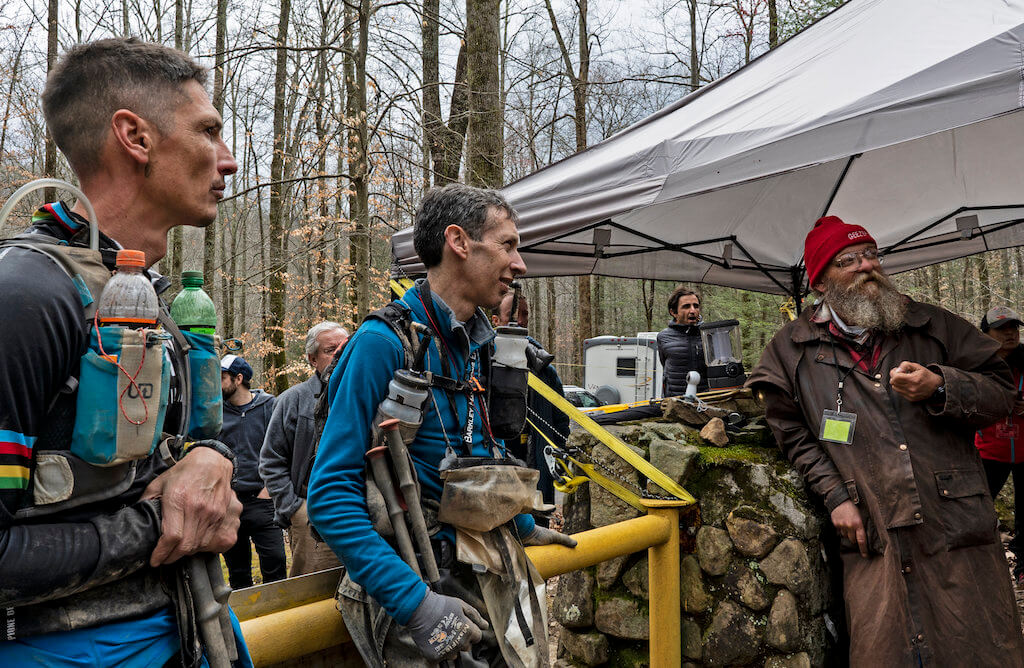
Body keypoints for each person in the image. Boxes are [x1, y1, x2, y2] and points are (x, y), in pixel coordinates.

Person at [0, 38, 245, 665]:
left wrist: (209, 460)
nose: (229, 161)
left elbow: (184, 443)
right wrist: (158, 523)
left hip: (191, 628)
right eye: (208, 132)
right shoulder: (30, 296)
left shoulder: (146, 297)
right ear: (135, 137)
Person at [307, 183, 576, 666]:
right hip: (415, 586)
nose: (520, 265)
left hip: (480, 574)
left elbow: (473, 456)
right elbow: (328, 497)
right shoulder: (381, 343)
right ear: (458, 242)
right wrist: (415, 604)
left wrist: (520, 522)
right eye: (508, 245)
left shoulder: (480, 345)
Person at [746, 215, 1024, 666]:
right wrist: (835, 496)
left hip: (953, 522)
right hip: (872, 529)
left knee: (978, 646)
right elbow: (792, 433)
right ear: (820, 283)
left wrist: (941, 386)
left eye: (871, 254)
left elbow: (1002, 392)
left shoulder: (932, 325)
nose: (866, 266)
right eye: (847, 260)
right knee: (886, 649)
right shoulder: (790, 350)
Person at [260, 321, 349, 576]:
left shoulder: (363, 394)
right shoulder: (293, 400)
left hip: (359, 511)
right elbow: (270, 460)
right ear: (312, 359)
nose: (338, 355)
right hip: (311, 512)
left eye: (344, 349)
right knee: (311, 587)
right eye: (331, 350)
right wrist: (294, 508)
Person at [493, 288, 567, 522]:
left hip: (537, 469)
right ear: (495, 320)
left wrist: (559, 457)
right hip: (499, 470)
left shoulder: (544, 369)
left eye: (525, 314)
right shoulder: (483, 364)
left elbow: (560, 420)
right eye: (513, 314)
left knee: (539, 530)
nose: (520, 320)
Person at [218, 354, 285, 589]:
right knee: (238, 573)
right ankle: (246, 624)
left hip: (263, 501)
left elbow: (283, 450)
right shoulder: (216, 412)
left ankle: (278, 619)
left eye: (223, 377)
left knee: (276, 562)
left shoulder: (270, 406)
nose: (218, 382)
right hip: (229, 503)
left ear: (239, 378)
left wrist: (268, 491)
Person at [975, 305, 1024, 584]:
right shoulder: (976, 363)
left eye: (1014, 328)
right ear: (986, 333)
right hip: (989, 449)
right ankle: (981, 565)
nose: (1010, 334)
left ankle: (1022, 567)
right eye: (1002, 329)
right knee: (979, 507)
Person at [657, 286, 708, 395]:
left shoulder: (709, 334)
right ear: (673, 312)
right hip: (674, 401)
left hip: (706, 400)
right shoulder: (663, 337)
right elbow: (664, 364)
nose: (693, 310)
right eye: (686, 306)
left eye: (696, 306)